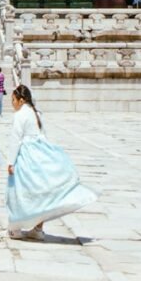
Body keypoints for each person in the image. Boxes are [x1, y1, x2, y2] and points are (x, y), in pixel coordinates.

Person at [6, 85, 97, 241]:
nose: (12, 103)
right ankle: (38, 228)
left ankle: (15, 228)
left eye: (13, 100)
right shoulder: (37, 114)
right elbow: (43, 135)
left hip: (26, 155)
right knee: (41, 191)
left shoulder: (20, 115)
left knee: (20, 190)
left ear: (21, 101)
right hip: (41, 154)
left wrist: (10, 162)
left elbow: (15, 139)